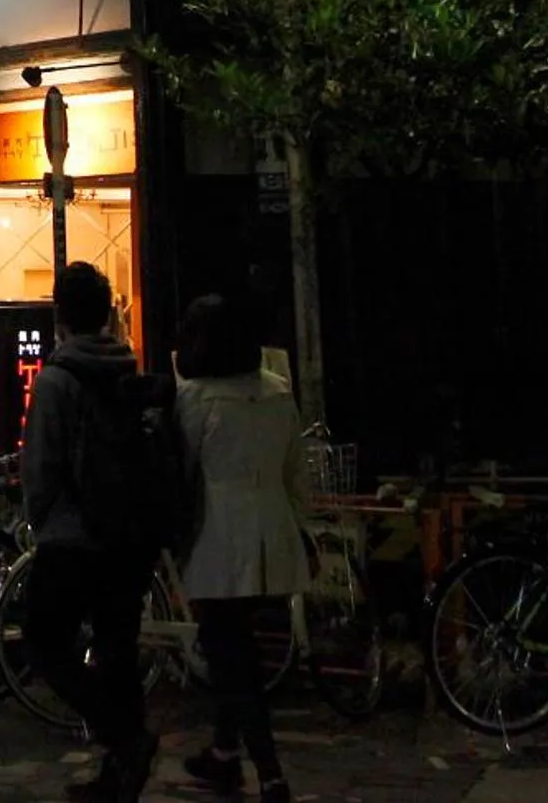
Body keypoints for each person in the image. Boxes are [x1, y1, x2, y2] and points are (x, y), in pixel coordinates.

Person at [21, 261, 161, 803]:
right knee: (117, 650)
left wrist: (38, 518)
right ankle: (119, 774)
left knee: (43, 642)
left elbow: (42, 465)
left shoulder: (58, 378)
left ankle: (126, 741)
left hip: (72, 537)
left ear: (59, 313)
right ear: (107, 313)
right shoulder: (128, 368)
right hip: (127, 536)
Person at [173, 293, 306, 801]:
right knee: (235, 644)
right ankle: (224, 752)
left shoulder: (196, 399)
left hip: (216, 538)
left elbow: (183, 474)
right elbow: (295, 471)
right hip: (272, 532)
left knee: (232, 655)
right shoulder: (276, 393)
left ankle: (268, 770)